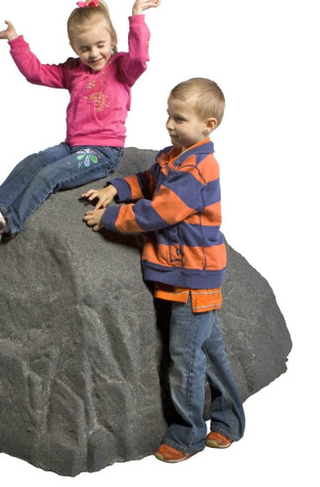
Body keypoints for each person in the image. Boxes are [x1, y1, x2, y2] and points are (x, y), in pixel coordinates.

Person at [82, 78, 245, 463]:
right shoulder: (174, 157)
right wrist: (116, 188)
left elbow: (161, 211)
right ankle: (229, 421)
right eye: (169, 116)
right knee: (209, 350)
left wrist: (111, 217)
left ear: (208, 125)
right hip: (179, 275)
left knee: (185, 358)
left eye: (180, 119)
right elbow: (148, 181)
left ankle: (187, 435)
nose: (170, 125)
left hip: (192, 276)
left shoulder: (199, 168)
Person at [0, 0, 162, 249]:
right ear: (74, 47)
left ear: (112, 40)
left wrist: (137, 16)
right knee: (33, 162)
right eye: (84, 48)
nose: (94, 53)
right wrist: (15, 40)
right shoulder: (73, 70)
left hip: (103, 151)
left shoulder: (122, 68)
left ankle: (7, 227)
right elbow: (36, 73)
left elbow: (140, 58)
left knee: (49, 175)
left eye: (100, 45)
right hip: (71, 145)